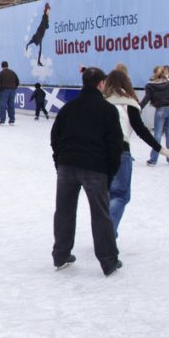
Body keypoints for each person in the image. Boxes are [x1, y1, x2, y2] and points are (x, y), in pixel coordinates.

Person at [50, 67, 122, 276]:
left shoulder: (69, 108)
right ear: (101, 84)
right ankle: (109, 261)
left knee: (64, 211)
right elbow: (115, 146)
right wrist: (109, 172)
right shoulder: (108, 110)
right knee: (101, 215)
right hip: (95, 169)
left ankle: (60, 255)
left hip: (67, 166)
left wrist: (60, 161)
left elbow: (55, 137)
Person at [103, 69, 169, 234]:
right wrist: (161, 149)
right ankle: (107, 232)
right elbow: (141, 130)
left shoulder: (101, 101)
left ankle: (104, 229)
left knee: (105, 195)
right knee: (120, 195)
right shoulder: (129, 102)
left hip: (99, 153)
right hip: (120, 150)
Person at [0, 61, 20, 125]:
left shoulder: (1, 73)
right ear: (7, 65)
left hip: (4, 91)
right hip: (13, 90)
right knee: (11, 105)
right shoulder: (13, 72)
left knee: (2, 106)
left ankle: (2, 120)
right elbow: (17, 81)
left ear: (2, 66)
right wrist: (14, 87)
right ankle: (12, 120)